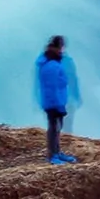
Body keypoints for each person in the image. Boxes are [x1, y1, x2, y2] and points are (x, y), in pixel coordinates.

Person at [35, 35, 81, 164]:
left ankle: (56, 152)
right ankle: (52, 156)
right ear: (58, 47)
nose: (63, 50)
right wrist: (58, 105)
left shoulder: (52, 62)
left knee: (56, 127)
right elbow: (52, 88)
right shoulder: (52, 65)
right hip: (53, 103)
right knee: (54, 128)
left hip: (55, 101)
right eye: (61, 47)